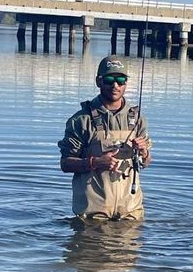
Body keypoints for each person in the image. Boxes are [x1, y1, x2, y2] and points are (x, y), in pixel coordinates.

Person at [58, 55, 152, 221]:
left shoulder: (137, 119)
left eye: (120, 80)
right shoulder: (81, 120)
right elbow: (65, 164)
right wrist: (94, 162)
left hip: (130, 213)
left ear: (126, 83)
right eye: (109, 79)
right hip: (92, 216)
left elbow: (145, 163)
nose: (115, 85)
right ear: (98, 82)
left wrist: (144, 152)